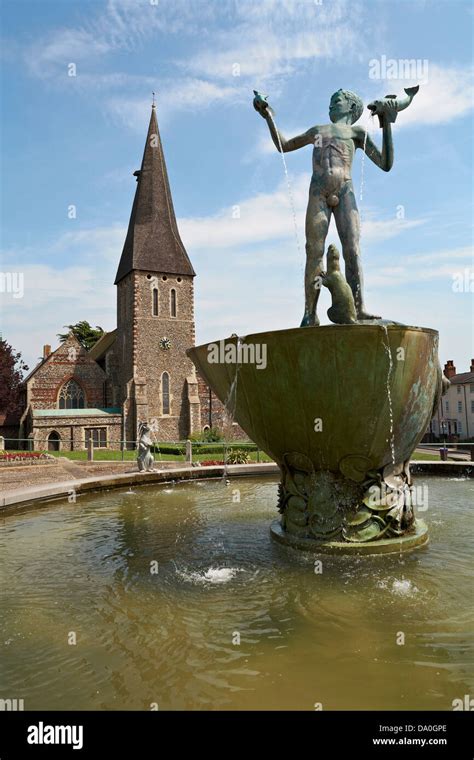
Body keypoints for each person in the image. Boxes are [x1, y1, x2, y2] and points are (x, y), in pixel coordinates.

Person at [254, 89, 395, 325]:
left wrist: (387, 124)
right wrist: (267, 114)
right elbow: (284, 145)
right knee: (314, 250)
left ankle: (358, 308)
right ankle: (310, 313)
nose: (330, 105)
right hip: (318, 191)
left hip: (345, 190)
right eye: (329, 101)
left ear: (351, 107)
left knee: (352, 249)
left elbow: (385, 163)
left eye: (336, 101)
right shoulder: (318, 130)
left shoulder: (356, 132)